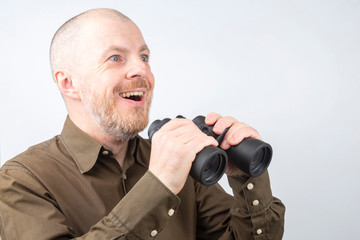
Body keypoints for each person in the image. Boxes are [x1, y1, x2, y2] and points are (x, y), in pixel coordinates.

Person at [0, 8, 285, 240]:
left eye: (144, 57)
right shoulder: (21, 181)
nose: (142, 70)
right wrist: (159, 185)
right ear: (68, 83)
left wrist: (245, 177)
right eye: (115, 58)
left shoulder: (183, 163)